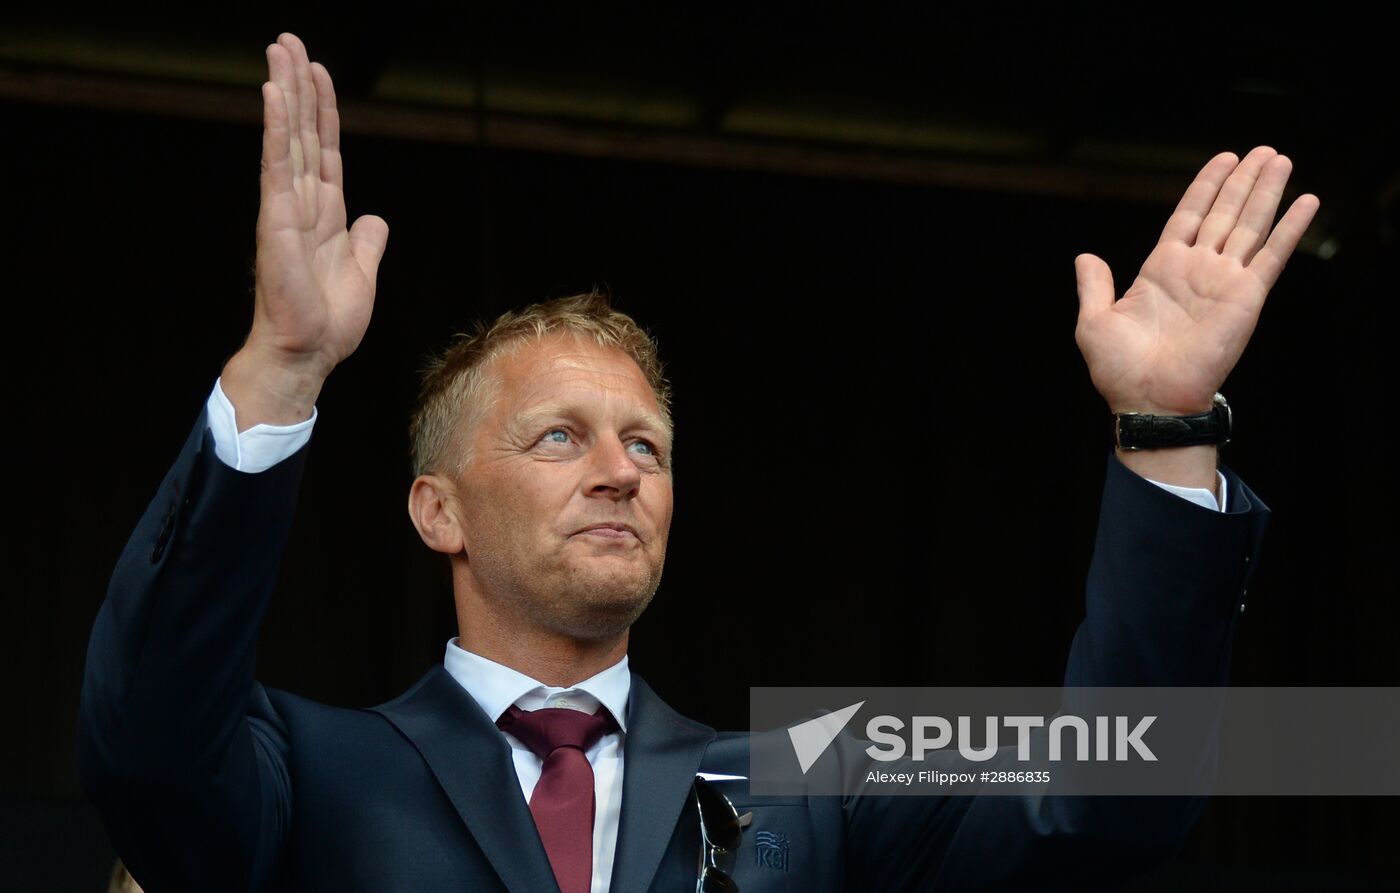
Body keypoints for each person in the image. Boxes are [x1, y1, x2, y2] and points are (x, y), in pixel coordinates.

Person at [76, 31, 1318, 893]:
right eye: (559, 434)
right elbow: (146, 740)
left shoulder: (810, 767)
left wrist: (1165, 428)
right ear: (435, 507)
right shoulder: (311, 767)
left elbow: (1117, 782)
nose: (620, 471)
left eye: (646, 445)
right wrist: (282, 368)